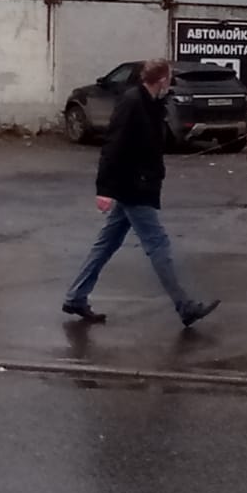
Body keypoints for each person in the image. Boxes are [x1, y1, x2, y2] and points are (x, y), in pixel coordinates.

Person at [62, 59, 220, 328]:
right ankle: (185, 306)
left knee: (106, 244)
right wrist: (104, 190)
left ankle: (76, 297)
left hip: (139, 183)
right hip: (134, 186)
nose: (170, 83)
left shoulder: (149, 102)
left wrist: (163, 104)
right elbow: (113, 145)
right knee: (158, 245)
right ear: (161, 80)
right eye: (169, 78)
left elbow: (153, 135)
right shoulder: (132, 102)